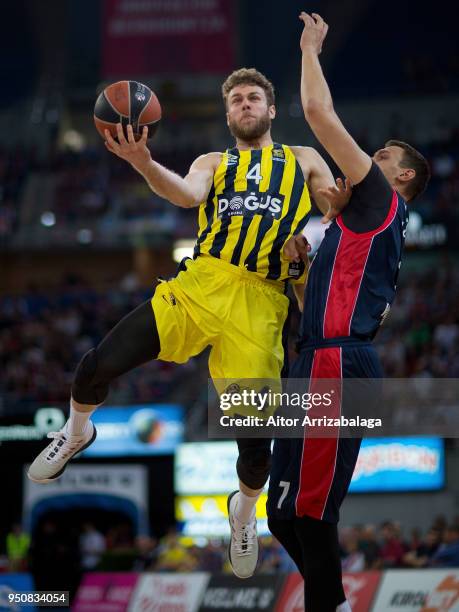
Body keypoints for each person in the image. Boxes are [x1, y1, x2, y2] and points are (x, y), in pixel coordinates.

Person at [28, 68, 348, 579]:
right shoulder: (213, 162)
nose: (245, 105)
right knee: (96, 366)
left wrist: (312, 236)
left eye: (254, 98)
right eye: (237, 100)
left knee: (256, 457)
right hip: (201, 284)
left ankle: (242, 513)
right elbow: (183, 193)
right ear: (228, 115)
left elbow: (339, 209)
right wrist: (143, 161)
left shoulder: (303, 159)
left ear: (270, 110)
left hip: (262, 302)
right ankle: (75, 430)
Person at [267, 13, 430, 612]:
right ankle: (329, 598)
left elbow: (317, 115)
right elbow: (310, 298)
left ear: (402, 176)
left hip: (339, 364)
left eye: (383, 154)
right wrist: (301, 259)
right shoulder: (351, 223)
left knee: (310, 511)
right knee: (281, 513)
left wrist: (310, 48)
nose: (370, 156)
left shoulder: (382, 199)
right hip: (314, 360)